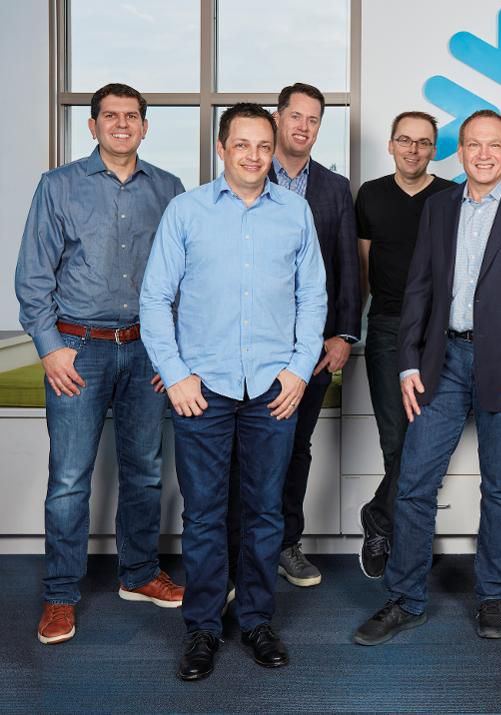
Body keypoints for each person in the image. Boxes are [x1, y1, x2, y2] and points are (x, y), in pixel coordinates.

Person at [352, 110, 501, 645]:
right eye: (474, 145)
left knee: (499, 488)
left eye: (494, 145)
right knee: (414, 483)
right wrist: (408, 360)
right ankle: (405, 599)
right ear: (461, 151)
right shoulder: (440, 206)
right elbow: (419, 288)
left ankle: (493, 596)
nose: (483, 154)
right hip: (441, 361)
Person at [140, 103, 327, 681]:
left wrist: (298, 370)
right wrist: (175, 374)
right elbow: (154, 298)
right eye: (242, 144)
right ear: (221, 148)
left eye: (263, 146)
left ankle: (256, 621)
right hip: (203, 390)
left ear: (274, 151)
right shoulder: (186, 211)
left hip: (274, 389)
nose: (253, 156)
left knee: (265, 514)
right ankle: (202, 628)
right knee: (203, 515)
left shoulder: (295, 212)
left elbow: (313, 297)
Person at [15, 82, 186, 646]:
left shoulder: (169, 189)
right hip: (77, 350)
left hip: (145, 349)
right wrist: (50, 348)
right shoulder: (58, 186)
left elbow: (183, 278)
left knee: (145, 470)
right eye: (110, 116)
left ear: (145, 126)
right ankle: (60, 594)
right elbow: (33, 276)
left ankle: (138, 574)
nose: (121, 124)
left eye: (131, 116)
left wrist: (171, 351)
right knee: (69, 479)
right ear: (92, 126)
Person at [225, 82, 360, 590]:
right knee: (242, 451)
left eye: (313, 119)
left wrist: (344, 334)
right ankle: (237, 553)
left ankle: (285, 544)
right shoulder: (245, 178)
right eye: (296, 116)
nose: (304, 127)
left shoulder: (334, 188)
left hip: (312, 349)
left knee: (296, 447)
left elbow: (348, 265)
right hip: (246, 344)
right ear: (278, 119)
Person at [355, 111, 454, 578]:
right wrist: (348, 330)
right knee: (396, 437)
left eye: (423, 142)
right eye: (405, 140)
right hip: (388, 327)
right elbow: (363, 268)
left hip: (440, 331)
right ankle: (402, 533)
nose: (413, 149)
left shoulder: (451, 196)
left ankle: (383, 518)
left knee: (425, 441)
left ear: (434, 148)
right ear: (391, 145)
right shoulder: (371, 195)